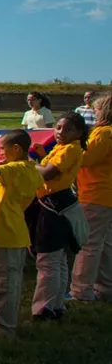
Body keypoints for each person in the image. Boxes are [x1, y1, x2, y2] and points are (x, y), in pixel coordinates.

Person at [0, 130, 44, 336]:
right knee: (12, 281)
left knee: (1, 283)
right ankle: (7, 322)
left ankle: (1, 327)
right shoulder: (30, 169)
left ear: (16, 149)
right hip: (17, 233)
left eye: (2, 148)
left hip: (5, 233)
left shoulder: (15, 169)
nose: (0, 152)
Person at [28, 112, 87, 321]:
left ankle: (44, 308)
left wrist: (26, 162)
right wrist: (43, 154)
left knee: (48, 260)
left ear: (79, 133)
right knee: (58, 259)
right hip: (57, 203)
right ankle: (56, 304)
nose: (61, 132)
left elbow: (46, 173)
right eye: (59, 128)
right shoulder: (64, 148)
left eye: (67, 129)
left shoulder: (71, 149)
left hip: (54, 206)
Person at [72, 96, 112, 301]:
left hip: (95, 194)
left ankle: (81, 291)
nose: (93, 114)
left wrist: (71, 146)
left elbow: (86, 159)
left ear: (104, 112)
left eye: (96, 110)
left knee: (88, 244)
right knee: (105, 243)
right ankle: (105, 287)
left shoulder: (104, 133)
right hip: (107, 194)